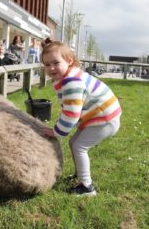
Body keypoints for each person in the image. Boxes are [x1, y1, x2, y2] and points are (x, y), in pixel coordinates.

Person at [41, 41, 122, 197]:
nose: (51, 68)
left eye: (56, 62)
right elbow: (70, 108)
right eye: (47, 64)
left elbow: (71, 114)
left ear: (69, 61)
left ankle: (87, 187)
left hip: (105, 119)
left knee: (79, 146)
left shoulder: (72, 83)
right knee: (74, 143)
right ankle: (80, 175)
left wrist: (55, 131)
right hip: (100, 116)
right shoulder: (70, 77)